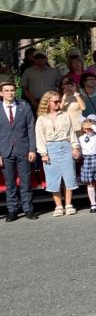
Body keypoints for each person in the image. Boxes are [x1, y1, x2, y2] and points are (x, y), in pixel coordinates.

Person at [35, 91, 81, 216]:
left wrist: (75, 147)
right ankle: (58, 206)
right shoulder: (41, 118)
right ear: (47, 103)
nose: (58, 103)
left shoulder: (65, 115)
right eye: (55, 101)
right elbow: (39, 137)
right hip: (50, 148)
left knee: (69, 176)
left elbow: (72, 133)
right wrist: (43, 153)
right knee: (53, 178)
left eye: (59, 101)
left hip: (65, 146)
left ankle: (69, 204)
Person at [0, 80, 38, 221]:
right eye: (7, 90)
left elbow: (31, 129)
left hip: (23, 149)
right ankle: (12, 210)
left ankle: (28, 209)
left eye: (12, 90)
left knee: (25, 181)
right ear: (1, 93)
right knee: (9, 183)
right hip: (5, 151)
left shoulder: (24, 106)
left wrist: (32, 149)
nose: (10, 93)